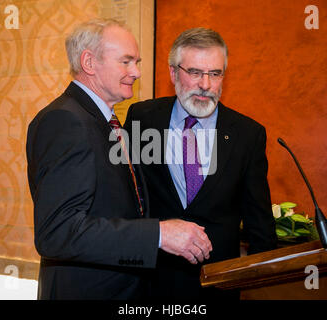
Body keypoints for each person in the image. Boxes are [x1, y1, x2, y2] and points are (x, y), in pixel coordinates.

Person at [26, 19, 213, 300]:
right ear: (89, 62)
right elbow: (57, 231)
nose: (136, 72)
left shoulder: (106, 121)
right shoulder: (65, 120)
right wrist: (158, 235)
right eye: (126, 62)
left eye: (136, 62)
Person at [124, 27, 277, 300]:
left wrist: (256, 283)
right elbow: (125, 197)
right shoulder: (142, 117)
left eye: (215, 74)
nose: (205, 84)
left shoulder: (248, 134)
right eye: (194, 72)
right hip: (149, 283)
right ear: (173, 73)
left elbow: (259, 222)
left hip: (217, 286)